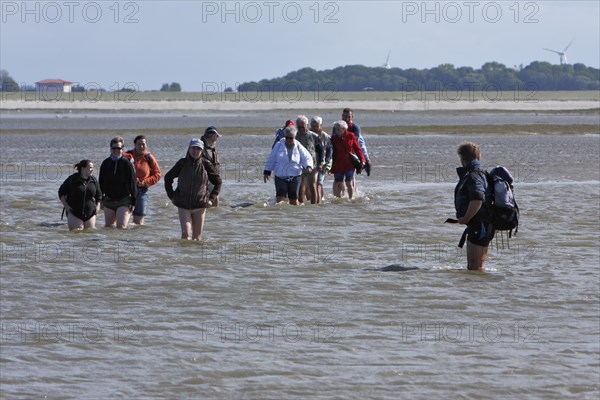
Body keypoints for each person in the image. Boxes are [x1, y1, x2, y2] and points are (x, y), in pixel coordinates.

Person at [164, 138, 222, 241]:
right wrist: (172, 196)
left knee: (197, 238)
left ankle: (195, 256)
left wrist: (211, 199)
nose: (195, 151)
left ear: (202, 150)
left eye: (198, 149)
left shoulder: (206, 164)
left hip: (200, 204)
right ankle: (183, 256)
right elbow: (168, 178)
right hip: (183, 204)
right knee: (185, 235)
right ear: (189, 149)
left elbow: (218, 182)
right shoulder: (182, 163)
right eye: (193, 148)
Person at [454, 141, 495, 271]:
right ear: (478, 156)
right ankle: (477, 289)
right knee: (475, 267)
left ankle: (476, 290)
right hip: (481, 224)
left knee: (474, 267)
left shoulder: (474, 175)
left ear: (462, 158)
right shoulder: (478, 173)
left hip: (480, 225)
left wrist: (465, 218)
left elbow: (477, 199)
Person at [263, 125, 314, 205]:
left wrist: (308, 166)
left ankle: (294, 215)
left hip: (295, 175)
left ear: (295, 137)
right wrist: (267, 171)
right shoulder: (279, 145)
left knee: (294, 199)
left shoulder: (298, 146)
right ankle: (280, 215)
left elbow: (307, 157)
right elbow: (271, 158)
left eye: (291, 138)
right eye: (287, 138)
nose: (289, 140)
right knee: (280, 198)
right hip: (280, 176)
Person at [99, 136, 137, 229]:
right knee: (109, 227)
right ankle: (111, 244)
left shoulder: (127, 163)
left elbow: (133, 182)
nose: (116, 150)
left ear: (122, 149)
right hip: (108, 200)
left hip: (124, 200)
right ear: (110, 149)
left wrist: (134, 202)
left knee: (121, 227)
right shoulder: (105, 163)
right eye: (114, 148)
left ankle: (122, 243)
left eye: (119, 148)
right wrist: (100, 199)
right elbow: (100, 182)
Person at [125, 135, 161, 225]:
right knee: (124, 217)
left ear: (146, 145)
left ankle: (138, 238)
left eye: (143, 144)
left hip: (142, 190)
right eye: (139, 144)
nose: (141, 146)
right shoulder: (127, 156)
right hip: (127, 191)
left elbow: (157, 174)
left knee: (139, 220)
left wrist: (145, 182)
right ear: (134, 145)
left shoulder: (149, 157)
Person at [58, 159, 102, 230]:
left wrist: (98, 205)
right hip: (74, 212)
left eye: (93, 167)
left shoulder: (93, 180)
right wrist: (66, 206)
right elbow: (61, 192)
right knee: (77, 233)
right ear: (83, 168)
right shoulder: (72, 179)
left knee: (89, 233)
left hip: (90, 213)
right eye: (90, 167)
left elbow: (99, 195)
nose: (92, 169)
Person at [330, 120, 365, 200]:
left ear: (344, 129)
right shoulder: (334, 138)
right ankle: (338, 200)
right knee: (338, 183)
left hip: (349, 163)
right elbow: (331, 151)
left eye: (338, 129)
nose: (337, 131)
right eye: (336, 129)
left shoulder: (351, 136)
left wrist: (362, 160)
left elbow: (357, 149)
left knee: (349, 182)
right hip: (338, 164)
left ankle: (351, 199)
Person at [295, 115, 323, 204]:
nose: (301, 129)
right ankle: (301, 203)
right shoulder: (295, 135)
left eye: (302, 127)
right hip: (299, 164)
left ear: (307, 125)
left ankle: (314, 205)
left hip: (313, 164)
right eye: (298, 127)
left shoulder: (314, 136)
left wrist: (320, 164)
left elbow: (321, 150)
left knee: (312, 185)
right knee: (301, 185)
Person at [342, 108, 371, 176]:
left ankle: (367, 161)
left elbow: (356, 140)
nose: (346, 118)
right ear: (342, 116)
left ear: (352, 117)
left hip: (354, 143)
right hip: (344, 145)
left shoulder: (355, 127)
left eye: (348, 117)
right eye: (345, 116)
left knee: (361, 145)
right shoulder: (337, 126)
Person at [310, 116, 332, 204]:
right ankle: (314, 201)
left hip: (322, 163)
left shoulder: (325, 136)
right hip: (310, 163)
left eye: (317, 126)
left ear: (320, 126)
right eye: (313, 126)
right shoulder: (308, 134)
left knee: (319, 184)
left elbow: (330, 151)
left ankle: (318, 203)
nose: (315, 128)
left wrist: (326, 163)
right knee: (310, 185)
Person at [201, 126, 222, 207]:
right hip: (205, 176)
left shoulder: (212, 145)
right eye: (217, 136)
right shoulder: (200, 146)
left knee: (214, 197)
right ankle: (213, 216)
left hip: (213, 176)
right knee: (213, 198)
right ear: (213, 136)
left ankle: (213, 215)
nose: (217, 138)